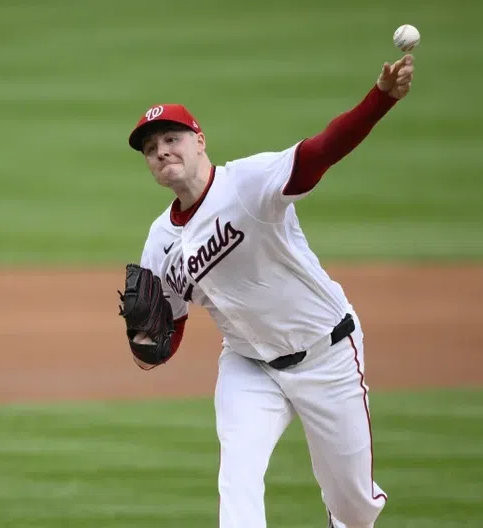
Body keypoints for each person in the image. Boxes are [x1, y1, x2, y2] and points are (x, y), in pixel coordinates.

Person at [117, 54, 415, 528]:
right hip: (248, 365)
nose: (161, 152)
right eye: (151, 148)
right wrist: (146, 342)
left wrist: (380, 99)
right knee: (237, 478)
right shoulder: (159, 242)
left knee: (354, 510)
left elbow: (323, 150)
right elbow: (167, 330)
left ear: (199, 141)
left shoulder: (248, 183)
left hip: (327, 353)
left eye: (172, 139)